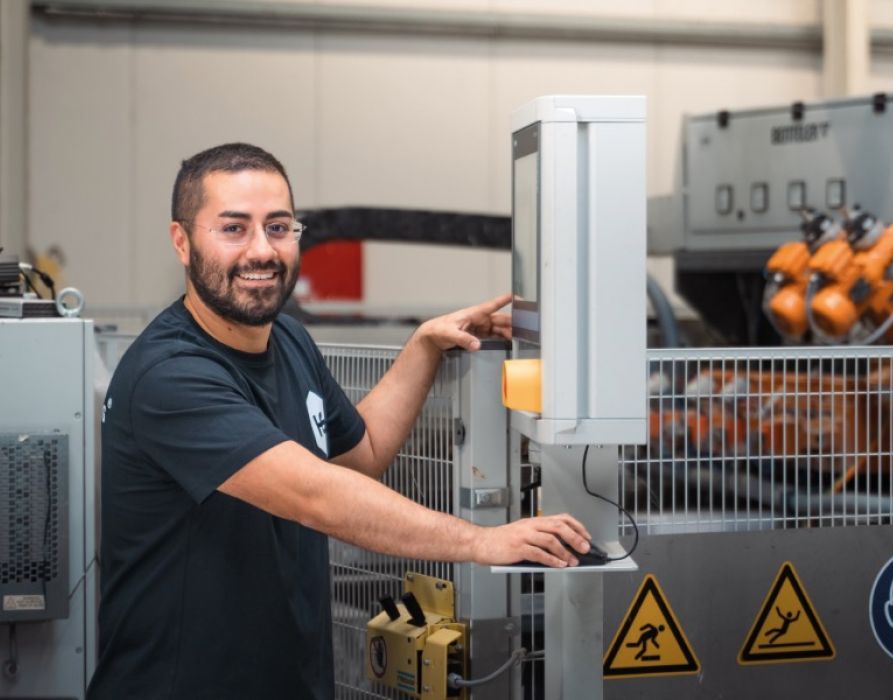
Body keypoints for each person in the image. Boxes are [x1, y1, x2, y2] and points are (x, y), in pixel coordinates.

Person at [86, 143, 591, 700]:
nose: (262, 250)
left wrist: (424, 344)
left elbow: (363, 454)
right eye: (234, 229)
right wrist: (479, 542)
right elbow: (317, 496)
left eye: (278, 227)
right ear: (181, 241)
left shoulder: (290, 341)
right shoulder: (171, 375)